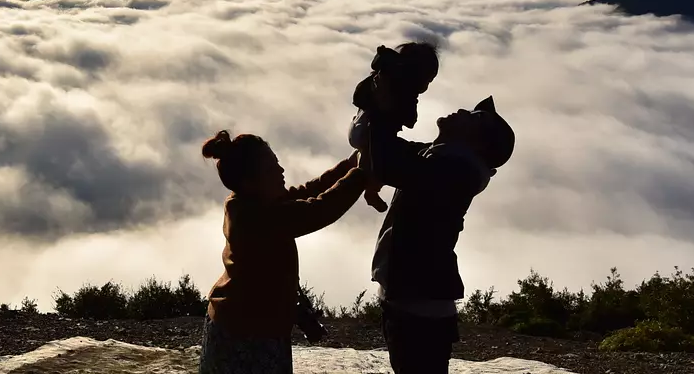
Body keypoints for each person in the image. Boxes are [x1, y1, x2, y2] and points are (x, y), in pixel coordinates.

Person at [352, 96, 515, 374]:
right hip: (415, 303)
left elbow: (387, 160)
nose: (463, 111)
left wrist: (386, 101)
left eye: (474, 118)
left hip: (418, 309)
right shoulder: (441, 158)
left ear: (476, 143)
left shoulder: (454, 171)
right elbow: (379, 149)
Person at [199, 129, 366, 374]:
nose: (281, 171)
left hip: (245, 325)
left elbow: (305, 194)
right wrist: (359, 176)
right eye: (271, 169)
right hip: (248, 334)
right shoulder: (256, 217)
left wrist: (346, 168)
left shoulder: (249, 202)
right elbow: (317, 210)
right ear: (250, 182)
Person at [350, 41, 440, 212]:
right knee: (381, 162)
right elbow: (410, 119)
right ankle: (370, 188)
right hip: (371, 133)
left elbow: (358, 97)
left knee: (372, 154)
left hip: (358, 126)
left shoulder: (380, 76)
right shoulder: (402, 88)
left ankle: (358, 167)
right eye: (428, 80)